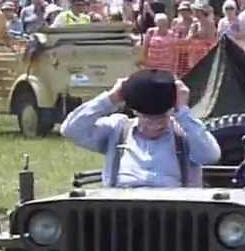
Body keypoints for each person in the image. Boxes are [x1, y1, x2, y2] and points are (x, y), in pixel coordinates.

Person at [61, 69, 220, 188]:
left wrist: (183, 112)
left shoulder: (186, 134)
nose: (155, 123)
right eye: (147, 117)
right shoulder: (118, 130)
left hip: (174, 215)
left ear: (171, 110)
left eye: (161, 117)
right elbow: (71, 129)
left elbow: (210, 156)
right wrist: (111, 98)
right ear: (135, 112)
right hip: (119, 213)